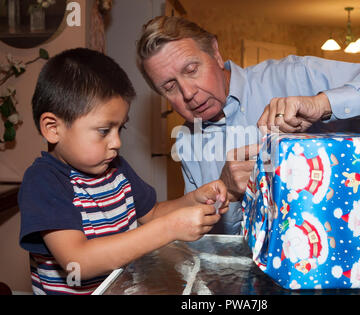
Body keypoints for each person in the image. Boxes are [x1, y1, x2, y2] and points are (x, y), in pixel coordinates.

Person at [136, 16, 360, 235]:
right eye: (170, 87)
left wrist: (323, 104)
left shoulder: (297, 76)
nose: (188, 93)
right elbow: (205, 238)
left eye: (192, 69)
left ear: (215, 52)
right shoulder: (188, 141)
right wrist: (228, 193)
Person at [18, 48, 228, 295]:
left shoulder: (116, 168)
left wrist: (193, 199)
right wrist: (169, 229)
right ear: (53, 128)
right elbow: (79, 261)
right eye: (104, 131)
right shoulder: (44, 182)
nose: (116, 142)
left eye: (121, 129)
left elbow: (152, 213)